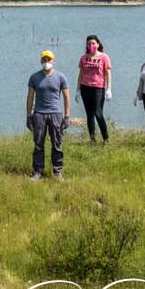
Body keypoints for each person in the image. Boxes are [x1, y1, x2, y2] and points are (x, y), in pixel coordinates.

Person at [27, 50, 71, 181]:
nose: (46, 62)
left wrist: (67, 116)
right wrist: (28, 116)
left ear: (53, 61)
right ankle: (37, 171)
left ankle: (58, 171)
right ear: (41, 61)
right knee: (38, 144)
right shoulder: (34, 77)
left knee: (57, 143)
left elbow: (66, 97)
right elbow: (30, 97)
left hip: (56, 114)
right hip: (39, 114)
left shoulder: (60, 77)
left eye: (49, 60)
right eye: (44, 60)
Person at [75, 34, 113, 144]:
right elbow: (81, 73)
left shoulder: (104, 57)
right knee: (89, 115)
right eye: (89, 44)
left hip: (98, 88)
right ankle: (92, 139)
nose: (91, 45)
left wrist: (109, 88)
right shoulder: (84, 57)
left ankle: (106, 139)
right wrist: (78, 89)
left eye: (93, 43)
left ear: (98, 44)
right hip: (85, 88)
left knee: (98, 113)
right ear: (86, 45)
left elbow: (108, 73)